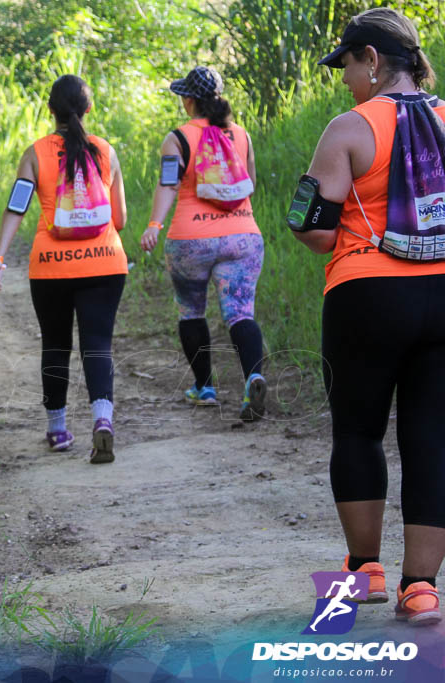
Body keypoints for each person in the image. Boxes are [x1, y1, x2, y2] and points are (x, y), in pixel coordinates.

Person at [292, 8, 443, 625]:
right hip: (443, 297)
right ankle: (422, 589)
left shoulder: (349, 127)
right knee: (432, 439)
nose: (346, 79)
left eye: (348, 65)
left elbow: (314, 230)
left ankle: (363, 574)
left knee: (358, 432)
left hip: (366, 296)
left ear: (373, 60)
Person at [0, 74, 128, 464]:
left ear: (50, 110)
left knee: (55, 344)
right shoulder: (106, 151)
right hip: (106, 264)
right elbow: (120, 219)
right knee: (97, 343)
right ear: (88, 109)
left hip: (50, 266)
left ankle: (58, 429)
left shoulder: (35, 153)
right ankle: (103, 421)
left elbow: (17, 206)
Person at [140, 66, 267, 421]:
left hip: (190, 240)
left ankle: (205, 387)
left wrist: (154, 224)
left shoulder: (177, 138)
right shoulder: (240, 134)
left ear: (189, 101)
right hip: (243, 236)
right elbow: (251, 181)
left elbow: (168, 184)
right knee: (240, 312)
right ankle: (253, 377)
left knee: (191, 310)